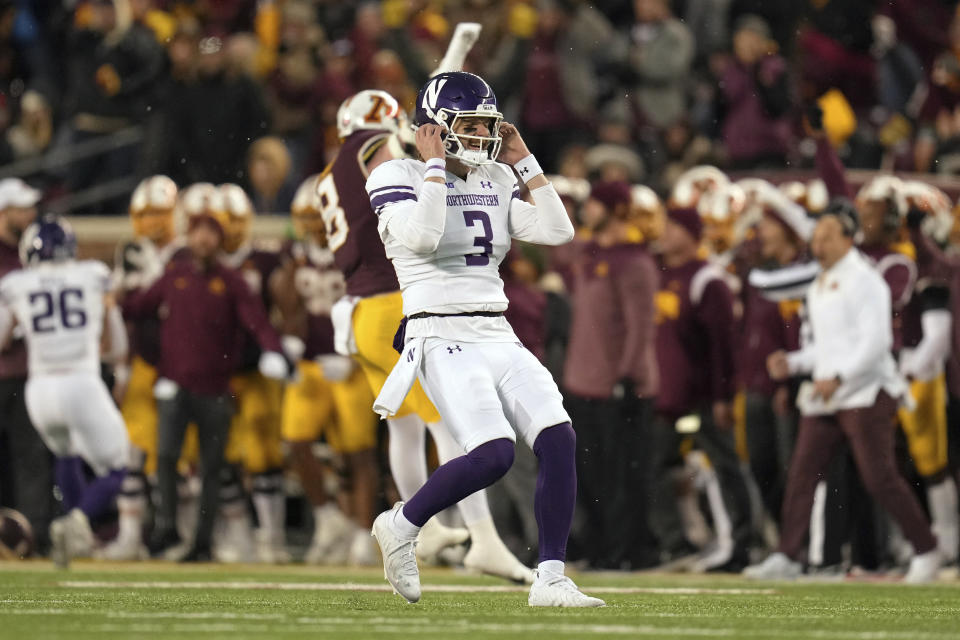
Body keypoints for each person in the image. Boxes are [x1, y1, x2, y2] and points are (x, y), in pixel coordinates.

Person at [367, 71, 602, 607]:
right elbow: (424, 237)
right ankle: (402, 523)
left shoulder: (495, 176)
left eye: (486, 127)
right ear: (435, 128)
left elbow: (557, 231)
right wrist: (431, 166)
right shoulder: (394, 173)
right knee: (494, 454)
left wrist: (525, 163)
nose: (481, 138)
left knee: (558, 438)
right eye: (469, 127)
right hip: (439, 330)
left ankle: (550, 577)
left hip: (497, 328)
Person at [318, 89, 531, 581]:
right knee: (454, 425)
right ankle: (484, 538)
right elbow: (388, 157)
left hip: (362, 314)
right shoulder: (369, 150)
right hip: (397, 305)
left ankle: (430, 528)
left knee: (405, 429)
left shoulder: (330, 172)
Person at [745, 209, 942, 583]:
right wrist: (795, 362)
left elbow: (877, 343)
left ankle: (927, 549)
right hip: (829, 392)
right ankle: (788, 555)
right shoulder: (823, 281)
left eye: (828, 236)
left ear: (849, 239)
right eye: (816, 237)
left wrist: (839, 376)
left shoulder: (866, 280)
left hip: (867, 391)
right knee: (802, 473)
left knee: (879, 478)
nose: (818, 244)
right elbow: (829, 347)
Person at [123, 206, 289, 562]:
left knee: (213, 467)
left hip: (215, 389)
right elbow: (136, 310)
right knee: (165, 458)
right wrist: (115, 293)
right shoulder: (173, 275)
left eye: (210, 232)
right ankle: (167, 527)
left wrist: (275, 352)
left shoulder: (231, 281)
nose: (203, 238)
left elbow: (257, 323)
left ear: (220, 238)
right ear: (189, 235)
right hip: (175, 385)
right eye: (197, 231)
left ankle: (201, 541)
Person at [0, 215, 129, 568]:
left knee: (66, 454)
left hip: (39, 389)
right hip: (80, 381)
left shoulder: (16, 283)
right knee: (119, 465)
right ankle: (77, 522)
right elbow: (116, 340)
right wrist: (118, 364)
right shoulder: (92, 275)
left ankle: (71, 542)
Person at [272, 175, 381, 566]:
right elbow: (285, 304)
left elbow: (373, 309)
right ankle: (327, 517)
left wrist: (352, 354)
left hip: (350, 365)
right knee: (296, 442)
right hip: (311, 365)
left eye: (318, 218)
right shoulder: (292, 255)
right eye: (307, 218)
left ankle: (361, 532)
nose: (313, 226)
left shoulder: (357, 253)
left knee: (359, 452)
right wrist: (289, 340)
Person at [562, 180, 658, 570]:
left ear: (615, 210)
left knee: (622, 476)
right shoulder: (591, 254)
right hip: (582, 383)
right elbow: (556, 246)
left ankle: (628, 551)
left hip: (618, 386)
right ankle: (601, 547)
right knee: (590, 475)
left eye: (596, 205)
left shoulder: (634, 262)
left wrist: (628, 376)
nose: (589, 211)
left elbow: (641, 327)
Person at [649, 207, 751, 572]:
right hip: (667, 396)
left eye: (674, 227)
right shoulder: (660, 273)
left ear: (693, 234)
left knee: (724, 467)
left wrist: (724, 395)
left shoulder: (708, 280)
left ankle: (741, 545)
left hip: (703, 397)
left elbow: (723, 345)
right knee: (657, 466)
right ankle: (678, 544)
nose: (666, 232)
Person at [100, 174, 184, 561]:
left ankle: (182, 533)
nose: (152, 222)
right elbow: (115, 309)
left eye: (159, 213)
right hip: (143, 364)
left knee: (178, 457)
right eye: (145, 214)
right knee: (133, 451)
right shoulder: (131, 252)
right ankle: (131, 534)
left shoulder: (186, 254)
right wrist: (120, 363)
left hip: (181, 365)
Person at [0, 178, 53, 555]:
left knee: (32, 456)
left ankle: (33, 537)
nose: (31, 215)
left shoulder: (35, 253)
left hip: (29, 372)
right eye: (23, 208)